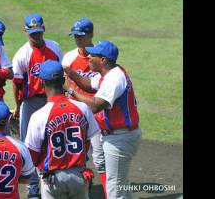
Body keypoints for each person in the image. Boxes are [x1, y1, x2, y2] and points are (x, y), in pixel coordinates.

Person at [64, 40, 141, 199]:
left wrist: (70, 89)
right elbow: (89, 85)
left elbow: (95, 106)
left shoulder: (115, 79)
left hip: (120, 138)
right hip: (117, 135)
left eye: (93, 55)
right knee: (121, 185)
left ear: (104, 60)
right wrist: (71, 73)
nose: (89, 57)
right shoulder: (108, 74)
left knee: (115, 189)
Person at [24, 60, 100, 199]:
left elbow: (32, 155)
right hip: (79, 175)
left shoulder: (38, 116)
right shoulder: (82, 108)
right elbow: (87, 141)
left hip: (53, 180)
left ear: (42, 83)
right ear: (63, 80)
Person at [11, 13, 63, 198]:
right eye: (33, 33)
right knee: (29, 145)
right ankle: (33, 186)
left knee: (54, 139)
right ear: (26, 32)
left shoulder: (54, 47)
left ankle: (56, 180)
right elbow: (16, 83)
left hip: (53, 99)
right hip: (31, 103)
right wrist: (17, 106)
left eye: (38, 32)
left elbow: (62, 76)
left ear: (43, 29)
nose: (36, 36)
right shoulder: (22, 55)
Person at [61, 18, 107, 198]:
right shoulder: (68, 58)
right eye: (75, 36)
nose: (77, 39)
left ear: (91, 35)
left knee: (100, 159)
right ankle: (80, 190)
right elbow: (63, 86)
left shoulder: (101, 58)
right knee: (75, 154)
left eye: (81, 36)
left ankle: (107, 193)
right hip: (74, 114)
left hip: (96, 113)